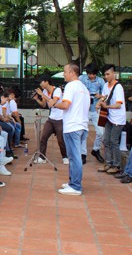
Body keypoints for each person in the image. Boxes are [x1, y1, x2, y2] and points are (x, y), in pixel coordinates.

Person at [48, 62, 90, 196]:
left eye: (65, 71)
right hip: (82, 125)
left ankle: (75, 186)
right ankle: (73, 182)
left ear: (72, 72)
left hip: (73, 126)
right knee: (74, 156)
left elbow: (66, 105)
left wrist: (54, 104)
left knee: (74, 157)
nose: (64, 74)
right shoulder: (83, 87)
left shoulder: (71, 86)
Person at [97, 64, 126, 175]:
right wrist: (99, 104)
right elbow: (104, 97)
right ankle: (109, 163)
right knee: (106, 140)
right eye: (105, 74)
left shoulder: (118, 87)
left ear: (114, 74)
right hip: (109, 117)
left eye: (108, 74)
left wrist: (106, 106)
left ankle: (117, 165)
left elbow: (118, 105)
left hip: (118, 119)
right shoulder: (105, 85)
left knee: (114, 141)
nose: (106, 76)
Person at [33, 75, 68, 165]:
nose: (40, 84)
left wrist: (42, 94)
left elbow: (53, 102)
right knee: (43, 138)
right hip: (51, 118)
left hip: (60, 118)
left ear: (46, 82)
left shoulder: (57, 90)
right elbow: (44, 105)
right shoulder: (44, 91)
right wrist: (37, 99)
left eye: (41, 82)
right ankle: (42, 157)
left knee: (61, 140)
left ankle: (65, 157)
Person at [80, 63, 106, 163]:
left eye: (93, 74)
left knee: (101, 132)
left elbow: (106, 94)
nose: (91, 76)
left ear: (96, 73)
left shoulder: (101, 81)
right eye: (89, 74)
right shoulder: (81, 78)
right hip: (84, 109)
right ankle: (83, 154)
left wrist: (100, 96)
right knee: (83, 133)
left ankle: (96, 150)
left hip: (96, 109)